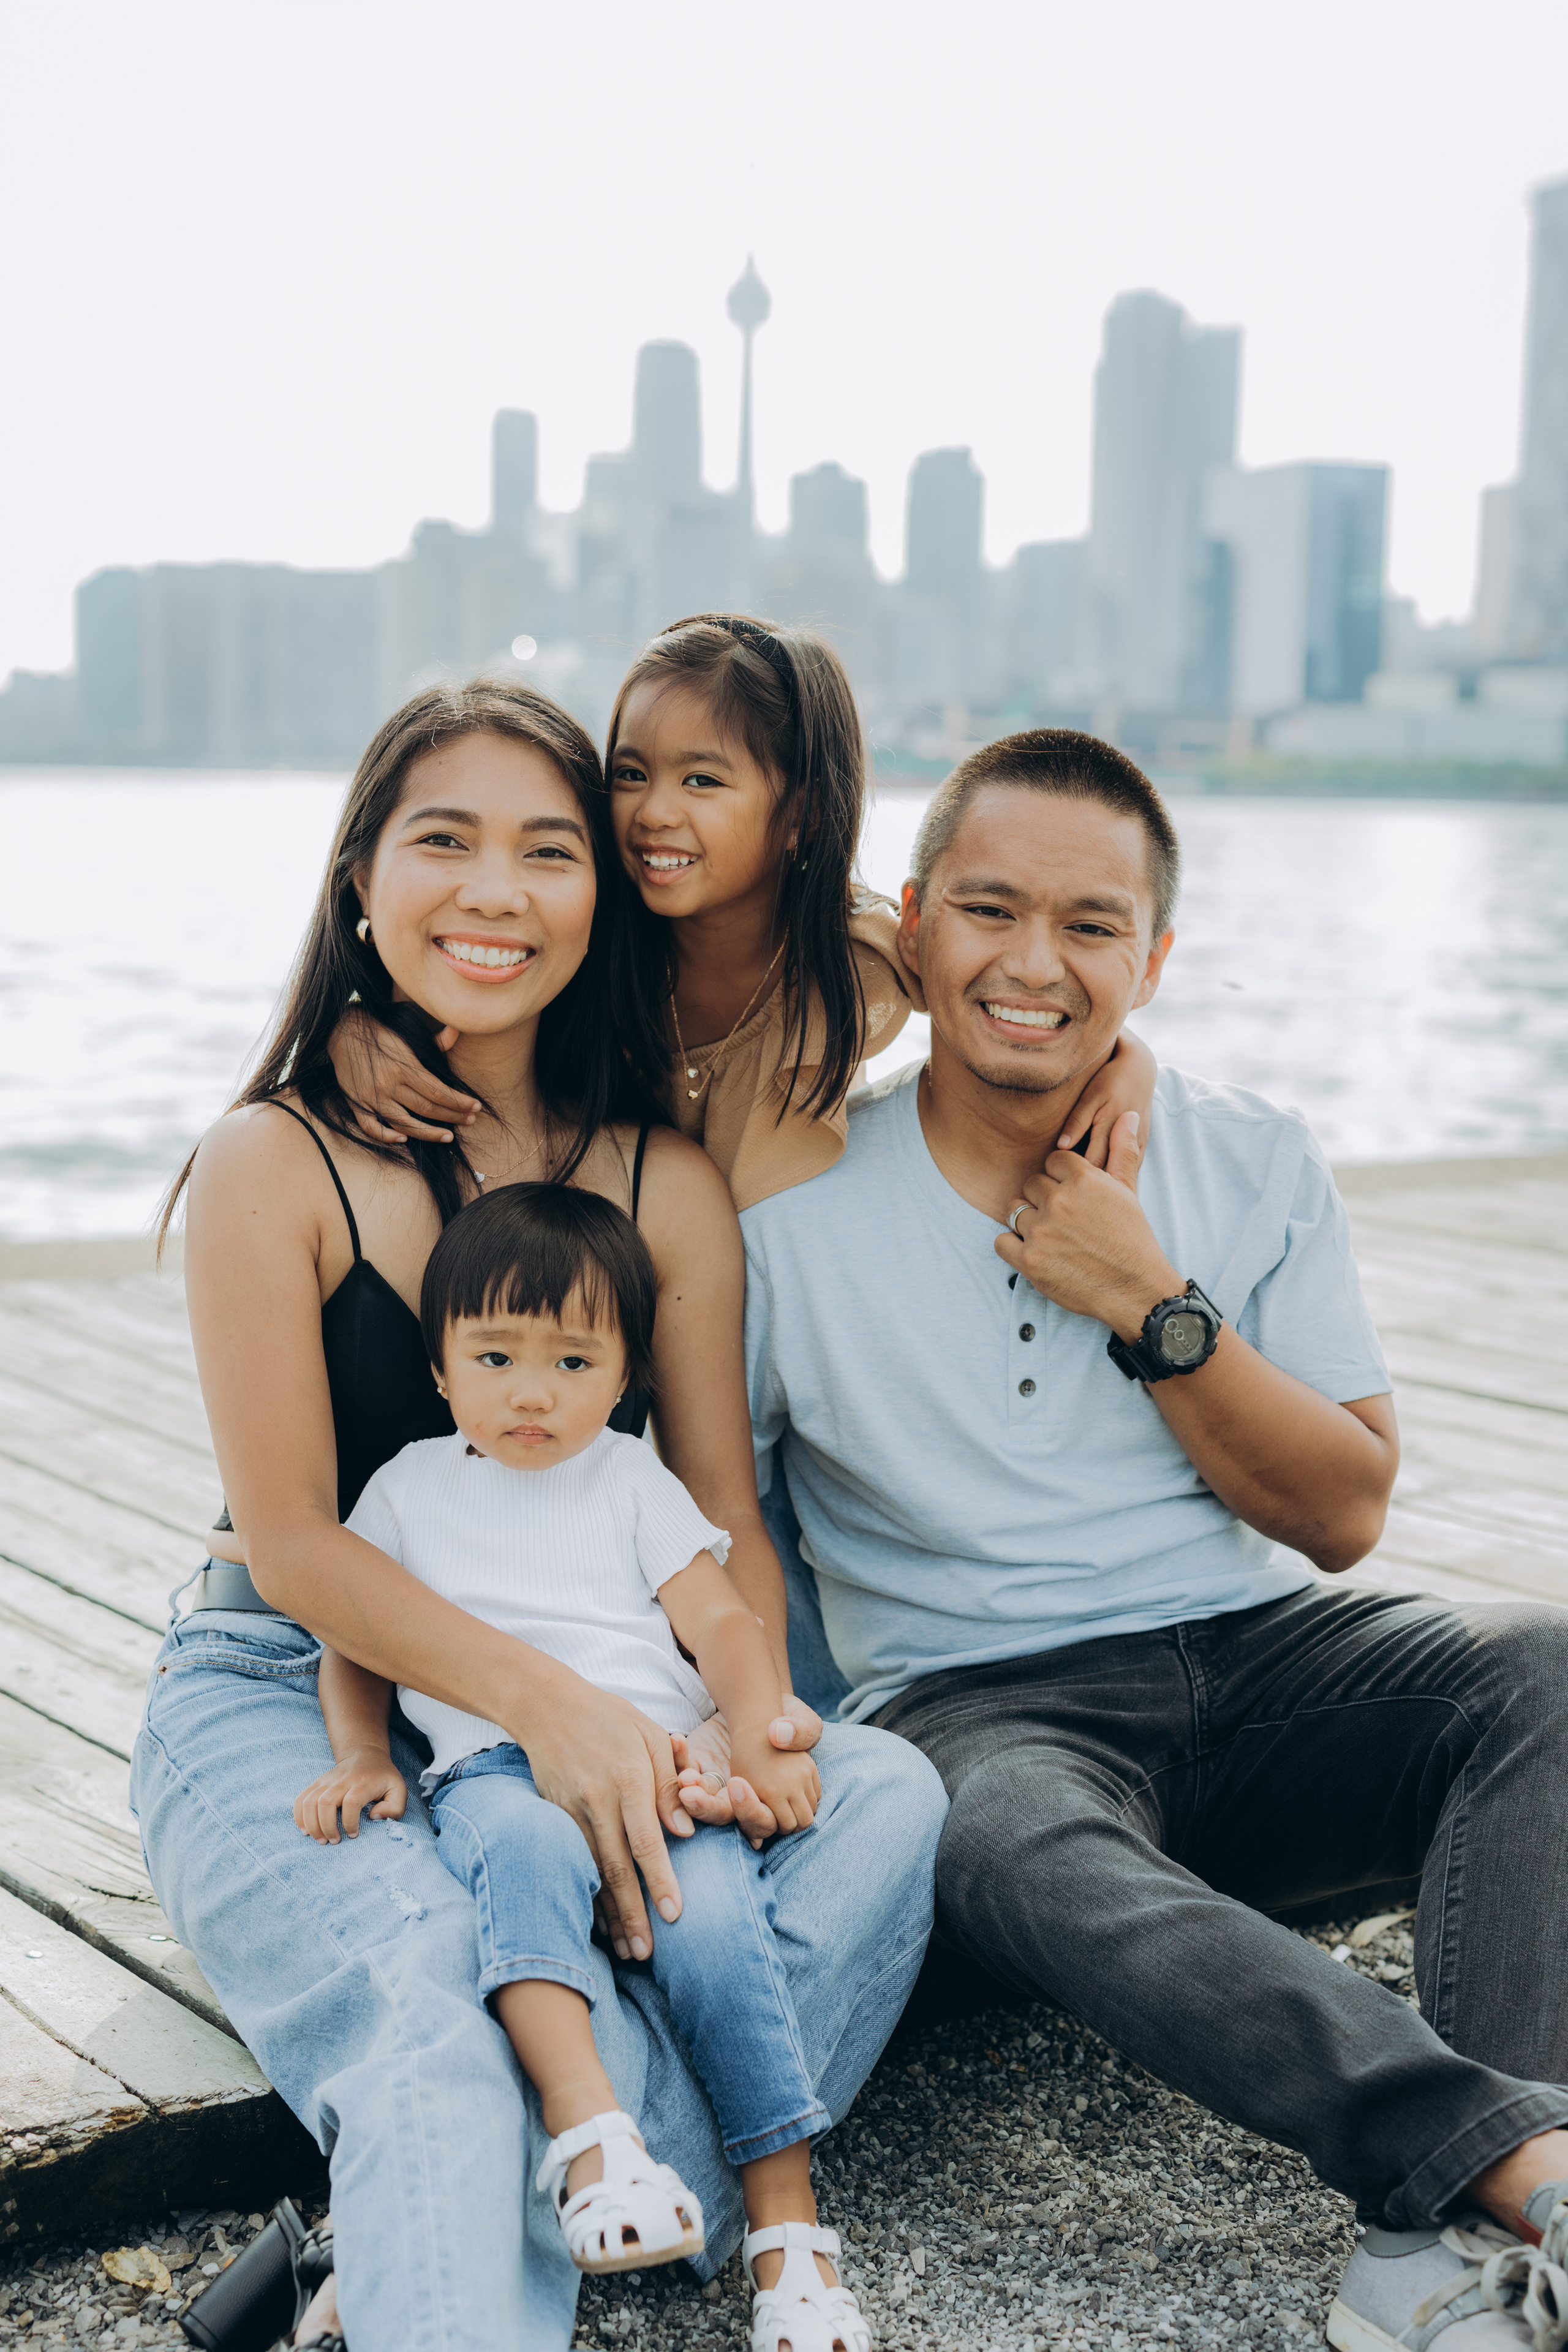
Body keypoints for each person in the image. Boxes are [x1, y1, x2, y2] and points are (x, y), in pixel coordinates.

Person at [130, 678, 948, 2352]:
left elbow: (718, 1515)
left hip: (610, 1686)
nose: (493, 893)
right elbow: (294, 1547)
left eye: (548, 851)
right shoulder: (272, 1161)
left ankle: (429, 2233)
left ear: (603, 894)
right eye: (443, 842)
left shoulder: (661, 1178)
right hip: (301, 1689)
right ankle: (496, 2214)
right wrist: (553, 1712)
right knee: (430, 1998)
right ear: (360, 876)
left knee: (888, 1793)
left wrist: (739, 1724)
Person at [741, 728, 1568, 2352]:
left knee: (1541, 1669)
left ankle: (1457, 2221)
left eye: (1090, 925)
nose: (1032, 965)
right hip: (984, 1712)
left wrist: (1149, 1301)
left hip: (1261, 1665)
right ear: (915, 921)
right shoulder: (788, 1207)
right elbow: (714, 1524)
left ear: (1156, 959)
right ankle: (1519, 2173)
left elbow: (1342, 1513)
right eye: (990, 910)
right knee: (981, 1831)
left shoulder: (1246, 1154)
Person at [295, 1181, 872, 2352]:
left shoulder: (630, 1480)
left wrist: (761, 1730)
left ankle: (789, 2239)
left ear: (623, 1379)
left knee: (721, 1934)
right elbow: (353, 1643)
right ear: (441, 1369)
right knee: (521, 1850)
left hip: (657, 1769)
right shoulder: (408, 1488)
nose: (532, 1391)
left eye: (572, 1362)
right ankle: (593, 2141)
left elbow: (722, 1623)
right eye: (495, 1357)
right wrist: (362, 1754)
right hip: (498, 1768)